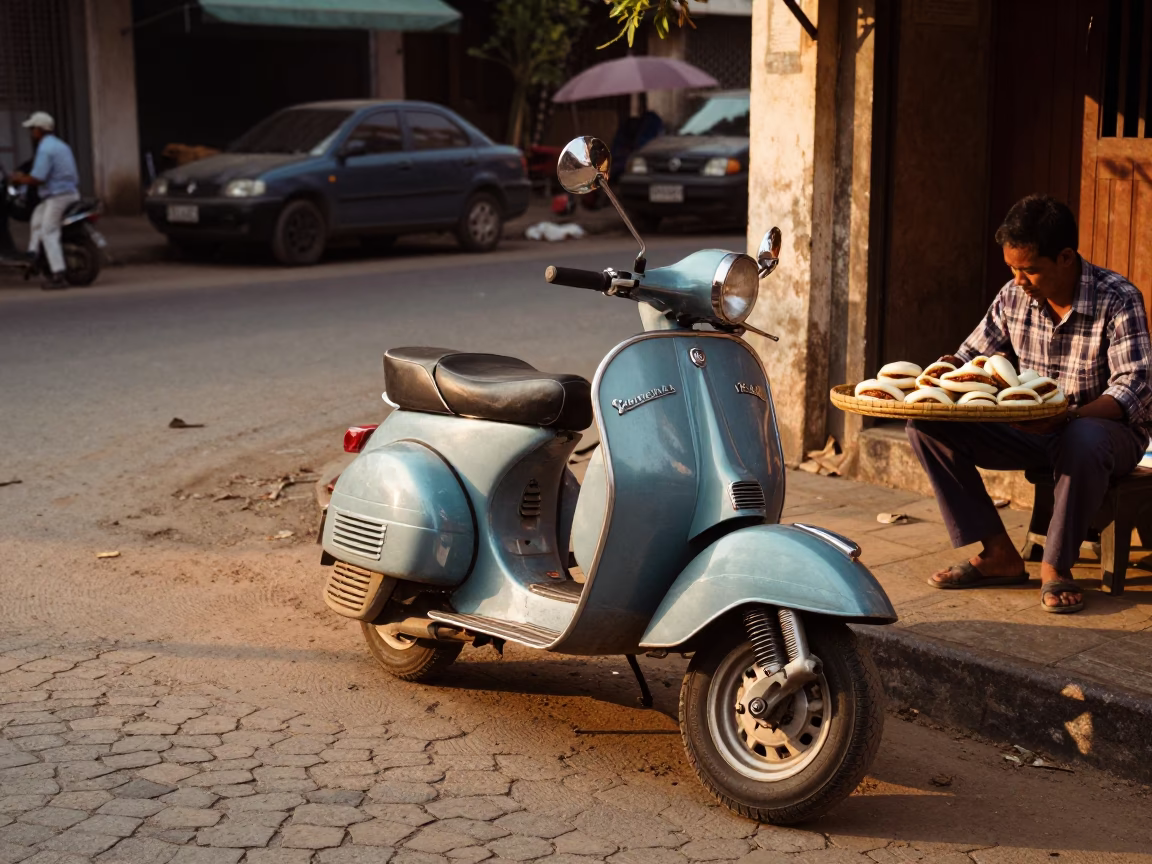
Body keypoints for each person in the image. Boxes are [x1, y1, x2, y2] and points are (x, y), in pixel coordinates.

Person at [906, 194, 1152, 614]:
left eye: (1030, 270)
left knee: (1082, 437)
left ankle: (1056, 566)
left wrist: (1069, 414)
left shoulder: (1118, 298)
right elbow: (970, 355)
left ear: (1066, 257)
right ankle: (998, 552)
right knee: (925, 426)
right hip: (1029, 429)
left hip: (1103, 431)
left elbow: (1136, 386)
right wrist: (941, 372)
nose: (1020, 280)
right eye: (1013, 269)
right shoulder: (1012, 296)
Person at [9, 111, 80, 290]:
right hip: (60, 194)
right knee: (36, 220)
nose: (31, 133)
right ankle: (33, 256)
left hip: (59, 196)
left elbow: (37, 178)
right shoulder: (59, 145)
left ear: (40, 130)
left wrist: (18, 179)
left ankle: (59, 274)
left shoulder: (45, 148)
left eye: (33, 129)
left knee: (49, 231)